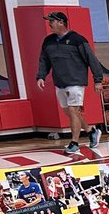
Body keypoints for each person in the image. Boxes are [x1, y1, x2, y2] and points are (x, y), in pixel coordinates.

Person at [35, 11, 104, 155]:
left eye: (52, 21)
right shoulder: (48, 41)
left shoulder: (78, 40)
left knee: (73, 110)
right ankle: (91, 131)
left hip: (76, 81)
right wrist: (41, 76)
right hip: (59, 82)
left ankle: (74, 143)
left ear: (61, 22)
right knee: (69, 111)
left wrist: (98, 80)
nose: (49, 24)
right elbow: (44, 60)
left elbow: (92, 59)